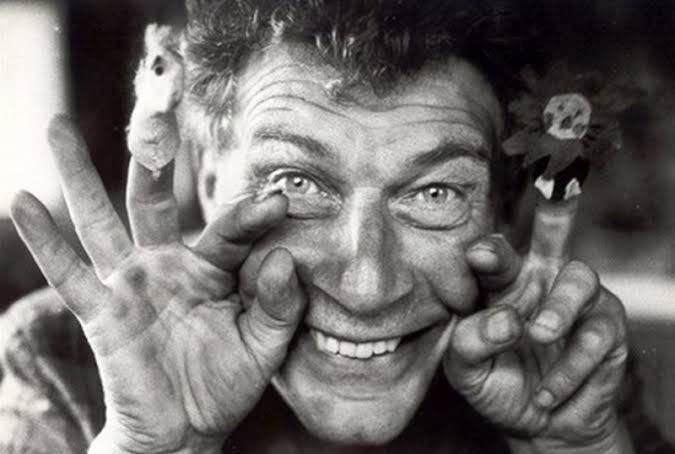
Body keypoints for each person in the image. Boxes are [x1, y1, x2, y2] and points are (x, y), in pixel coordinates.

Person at [0, 1, 673, 453]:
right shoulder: (61, 357)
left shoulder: (559, 370)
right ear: (207, 183)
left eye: (435, 192)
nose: (366, 286)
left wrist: (578, 449)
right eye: (295, 184)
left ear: (505, 214)